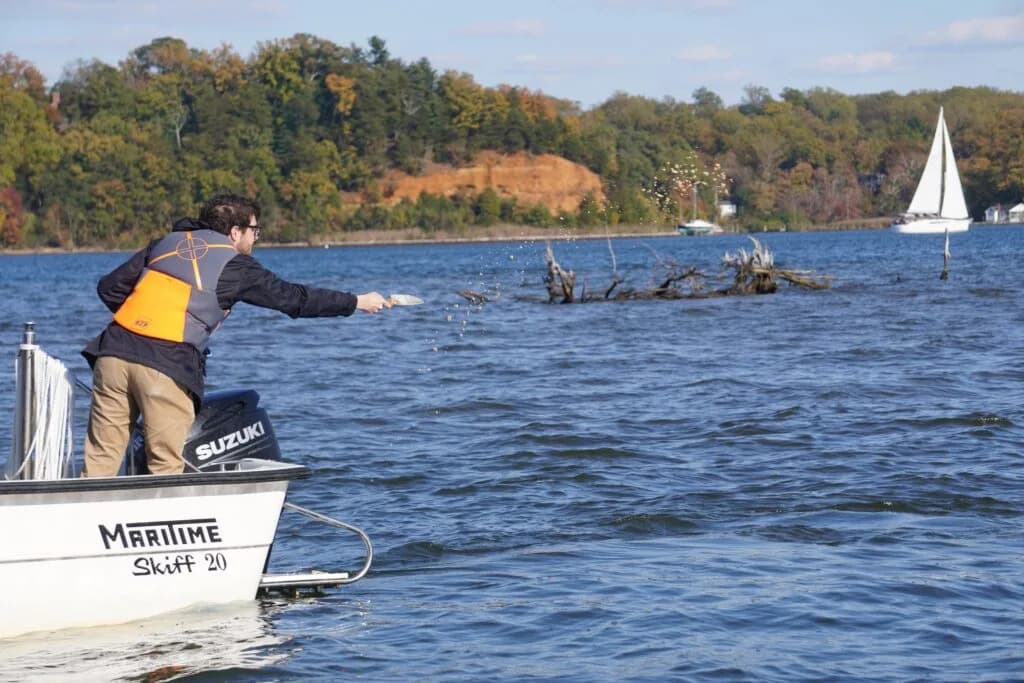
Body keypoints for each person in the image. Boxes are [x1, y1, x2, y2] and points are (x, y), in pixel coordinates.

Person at [81, 194, 389, 477]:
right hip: (165, 363)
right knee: (165, 467)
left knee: (100, 463)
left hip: (113, 354)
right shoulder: (236, 266)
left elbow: (109, 288)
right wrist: (356, 302)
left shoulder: (163, 244)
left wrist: (152, 314)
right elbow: (294, 299)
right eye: (255, 230)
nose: (256, 237)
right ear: (234, 232)